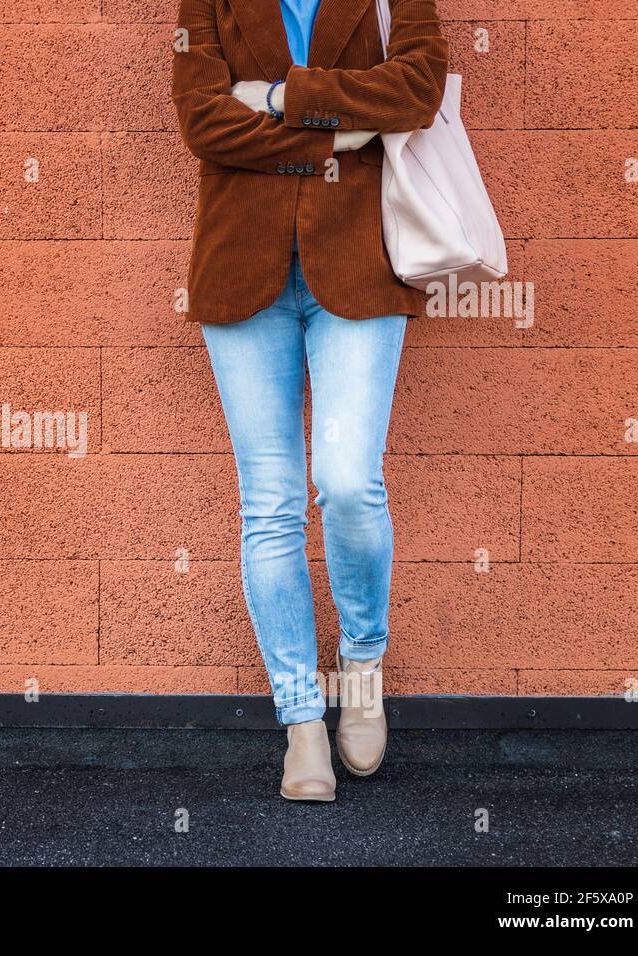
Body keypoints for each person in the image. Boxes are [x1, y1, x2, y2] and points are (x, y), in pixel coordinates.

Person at [171, 0, 448, 801]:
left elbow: (418, 89)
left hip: (360, 269)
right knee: (270, 504)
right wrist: (337, 133)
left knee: (351, 483)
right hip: (240, 272)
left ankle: (362, 666)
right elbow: (203, 123)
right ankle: (300, 721)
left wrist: (280, 97)